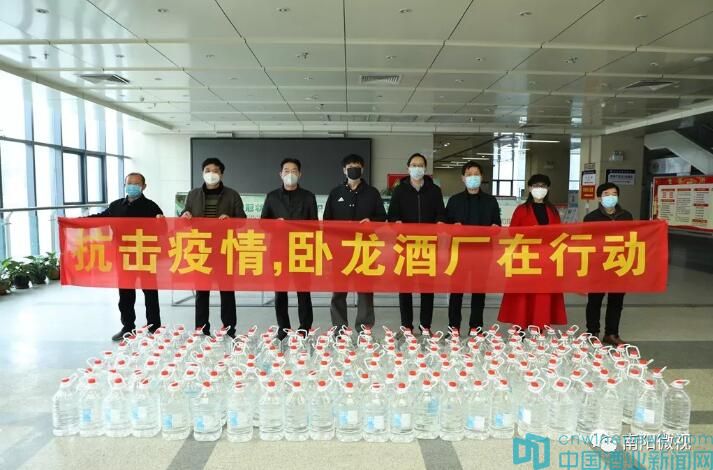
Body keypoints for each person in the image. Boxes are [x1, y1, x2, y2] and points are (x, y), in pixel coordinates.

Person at [90, 173, 164, 341]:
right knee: (125, 295)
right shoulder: (116, 206)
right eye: (129, 183)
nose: (132, 186)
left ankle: (154, 327)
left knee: (150, 293)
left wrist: (161, 222)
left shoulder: (151, 207)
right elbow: (99, 219)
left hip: (145, 256)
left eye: (136, 184)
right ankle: (128, 327)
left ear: (144, 187)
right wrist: (74, 221)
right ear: (124, 185)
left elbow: (163, 230)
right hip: (123, 256)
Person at [181, 157, 246, 338]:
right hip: (200, 248)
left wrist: (231, 220)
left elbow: (242, 220)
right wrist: (184, 215)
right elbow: (185, 215)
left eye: (216, 171)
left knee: (227, 291)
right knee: (202, 291)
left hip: (225, 249)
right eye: (208, 170)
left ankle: (229, 329)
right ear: (202, 173)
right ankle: (202, 328)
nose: (212, 174)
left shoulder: (232, 195)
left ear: (221, 174)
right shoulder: (193, 194)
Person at [323, 154, 387, 333]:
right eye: (350, 166)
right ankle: (339, 328)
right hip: (340, 250)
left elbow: (382, 218)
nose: (353, 169)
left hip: (365, 249)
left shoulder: (372, 193)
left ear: (362, 169)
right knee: (338, 291)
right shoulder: (336, 193)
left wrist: (371, 221)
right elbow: (327, 221)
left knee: (365, 291)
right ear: (344, 170)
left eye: (357, 166)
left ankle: (364, 329)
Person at [387, 152, 447, 335]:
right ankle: (407, 326)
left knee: (427, 288)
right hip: (404, 246)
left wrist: (440, 222)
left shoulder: (434, 190)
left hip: (427, 246)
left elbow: (441, 214)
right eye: (414, 165)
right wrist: (396, 222)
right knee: (405, 288)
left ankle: (425, 326)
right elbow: (392, 215)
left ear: (425, 168)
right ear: (408, 168)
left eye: (420, 165)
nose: (417, 168)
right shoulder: (400, 190)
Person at [497, 174, 567, 329]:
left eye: (543, 186)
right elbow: (512, 232)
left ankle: (540, 329)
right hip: (526, 259)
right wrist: (530, 233)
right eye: (536, 186)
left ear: (548, 188)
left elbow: (559, 233)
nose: (539, 189)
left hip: (546, 260)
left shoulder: (552, 211)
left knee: (543, 295)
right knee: (523, 294)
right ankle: (520, 329)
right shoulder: (522, 210)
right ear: (529, 188)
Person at [261, 158, 318, 341]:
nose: (290, 174)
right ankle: (283, 327)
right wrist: (275, 225)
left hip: (302, 249)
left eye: (294, 171)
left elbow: (315, 225)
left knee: (303, 291)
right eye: (286, 170)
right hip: (279, 249)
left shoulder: (308, 197)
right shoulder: (272, 197)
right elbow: (263, 224)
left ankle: (305, 327)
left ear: (300, 174)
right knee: (280, 291)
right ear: (280, 174)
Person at [445, 161, 501, 337]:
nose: (473, 177)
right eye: (469, 175)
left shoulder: (490, 201)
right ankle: (454, 328)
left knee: (479, 292)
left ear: (481, 177)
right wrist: (453, 227)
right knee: (456, 292)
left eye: (476, 174)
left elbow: (497, 225)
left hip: (482, 253)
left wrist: (494, 228)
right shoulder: (454, 200)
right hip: (459, 253)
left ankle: (476, 328)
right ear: (463, 178)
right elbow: (445, 226)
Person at [584, 182, 634, 346]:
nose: (610, 197)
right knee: (594, 300)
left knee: (616, 301)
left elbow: (633, 237)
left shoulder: (626, 216)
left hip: (619, 263)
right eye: (606, 194)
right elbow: (586, 242)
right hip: (598, 264)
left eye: (614, 194)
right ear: (599, 197)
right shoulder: (591, 218)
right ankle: (592, 332)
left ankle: (611, 334)